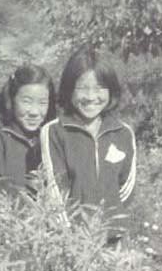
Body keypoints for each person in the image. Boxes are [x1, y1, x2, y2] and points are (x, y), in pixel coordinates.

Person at [40, 48, 136, 240]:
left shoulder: (123, 133)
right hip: (71, 239)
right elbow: (55, 188)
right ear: (69, 89)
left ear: (111, 90)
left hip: (113, 240)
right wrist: (70, 235)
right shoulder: (55, 131)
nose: (91, 96)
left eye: (99, 88)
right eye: (82, 88)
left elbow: (127, 187)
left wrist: (111, 220)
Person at [0, 63, 56, 196]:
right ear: (12, 100)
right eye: (27, 101)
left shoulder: (53, 137)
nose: (34, 112)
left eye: (42, 103)